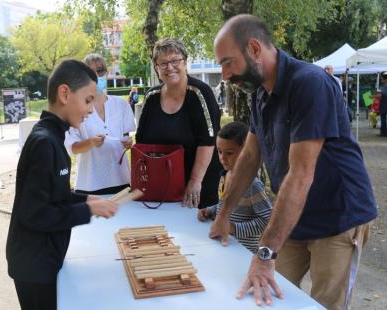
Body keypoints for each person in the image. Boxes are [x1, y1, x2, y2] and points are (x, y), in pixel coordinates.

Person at [211, 14, 377, 309]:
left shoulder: (310, 84)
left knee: (325, 305)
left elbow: (301, 174)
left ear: (254, 49)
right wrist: (224, 214)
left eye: (227, 62)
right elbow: (249, 156)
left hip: (339, 216)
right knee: (260, 294)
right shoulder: (260, 92)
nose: (224, 74)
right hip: (295, 214)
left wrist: (265, 253)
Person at [6, 59, 119, 310]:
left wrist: (87, 199)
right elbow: (35, 214)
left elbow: (55, 196)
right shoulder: (44, 142)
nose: (90, 110)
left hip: (44, 258)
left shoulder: (55, 137)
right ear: (65, 93)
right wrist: (88, 210)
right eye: (88, 100)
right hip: (33, 264)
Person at [135, 38, 222, 209]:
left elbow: (208, 141)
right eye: (163, 63)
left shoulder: (200, 93)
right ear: (156, 68)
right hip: (161, 184)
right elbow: (142, 142)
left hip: (197, 185)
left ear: (185, 62)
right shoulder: (152, 97)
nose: (170, 67)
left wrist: (195, 181)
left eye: (175, 60)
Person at [64, 53, 136, 195]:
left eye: (100, 70)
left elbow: (126, 138)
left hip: (121, 182)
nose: (96, 75)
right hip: (89, 185)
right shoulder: (74, 108)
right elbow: (72, 148)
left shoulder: (121, 105)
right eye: (90, 72)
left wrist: (128, 143)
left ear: (107, 73)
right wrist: (90, 143)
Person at [198, 122, 272, 253]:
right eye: (219, 152)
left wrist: (233, 228)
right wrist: (211, 211)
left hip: (244, 252)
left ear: (245, 152)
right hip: (224, 248)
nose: (222, 158)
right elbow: (224, 204)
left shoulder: (253, 185)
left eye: (229, 153)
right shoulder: (225, 176)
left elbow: (267, 220)